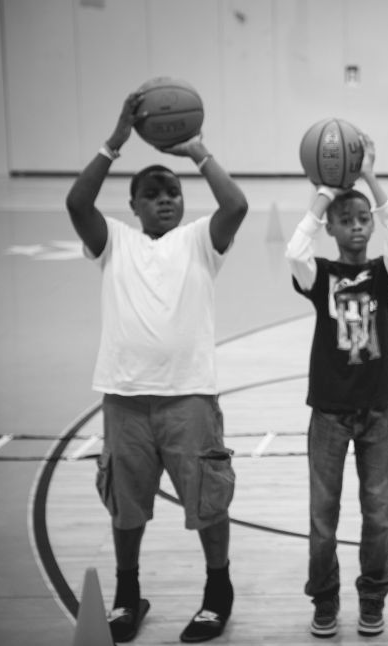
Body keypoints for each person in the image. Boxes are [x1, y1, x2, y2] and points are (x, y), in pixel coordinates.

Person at [64, 91, 249, 643]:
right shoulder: (113, 243)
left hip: (189, 396)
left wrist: (198, 152)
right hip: (124, 398)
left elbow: (235, 206)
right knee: (127, 507)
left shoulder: (199, 242)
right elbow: (77, 205)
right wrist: (115, 140)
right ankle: (126, 594)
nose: (166, 199)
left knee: (207, 502)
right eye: (153, 193)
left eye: (173, 192)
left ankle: (218, 593)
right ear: (134, 204)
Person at [285, 133, 388, 638]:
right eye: (347, 219)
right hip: (329, 413)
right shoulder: (322, 276)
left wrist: (369, 179)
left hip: (377, 410)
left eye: (364, 219)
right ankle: (325, 600)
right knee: (323, 518)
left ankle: (373, 596)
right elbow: (295, 250)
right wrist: (324, 192)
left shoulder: (385, 273)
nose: (358, 226)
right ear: (332, 228)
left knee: (378, 515)